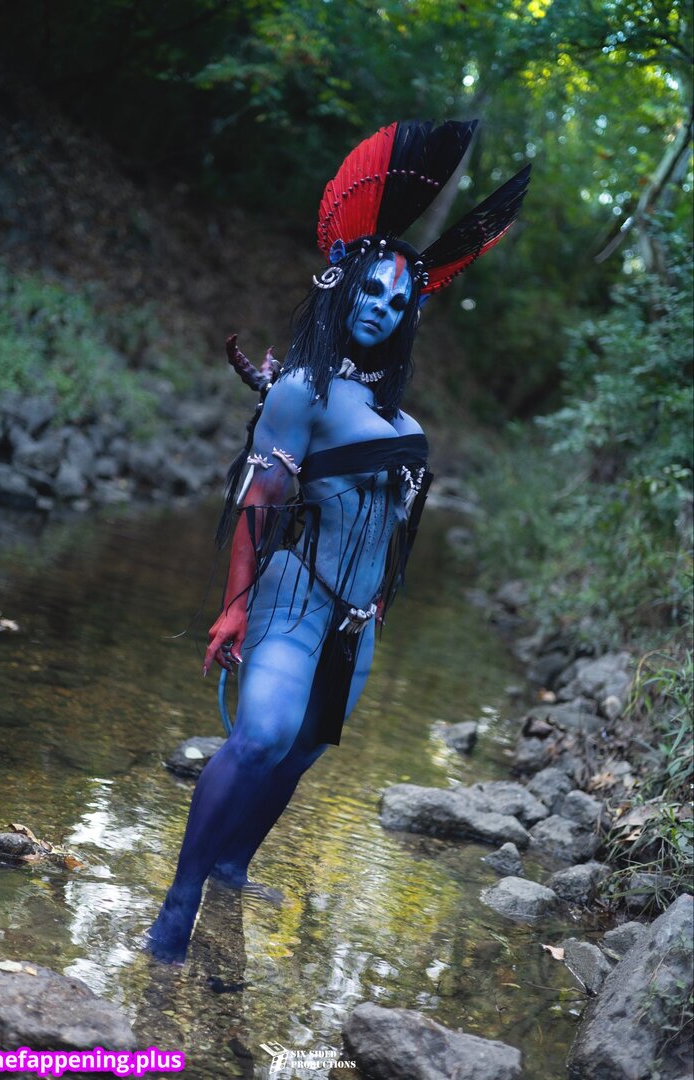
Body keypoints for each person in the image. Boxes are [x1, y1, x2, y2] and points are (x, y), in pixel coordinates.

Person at [147, 119, 530, 962]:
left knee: (302, 751)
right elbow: (258, 499)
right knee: (260, 738)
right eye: (370, 292)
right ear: (345, 288)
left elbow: (395, 525)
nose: (381, 308)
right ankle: (177, 905)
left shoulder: (405, 421)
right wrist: (233, 608)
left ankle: (232, 870)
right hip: (294, 593)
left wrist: (381, 600)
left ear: (407, 316)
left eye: (396, 301)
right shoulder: (301, 391)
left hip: (357, 620)